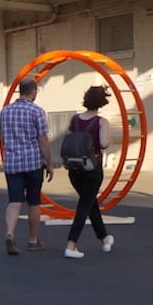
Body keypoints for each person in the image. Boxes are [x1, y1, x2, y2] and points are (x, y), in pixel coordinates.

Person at [0, 77, 53, 255]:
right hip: (32, 163)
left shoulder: (5, 112)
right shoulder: (36, 111)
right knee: (33, 202)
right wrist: (50, 163)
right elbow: (43, 140)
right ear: (34, 91)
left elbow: (2, 137)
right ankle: (33, 240)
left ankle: (9, 233)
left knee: (14, 200)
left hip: (12, 163)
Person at [62, 85, 115, 259]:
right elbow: (104, 143)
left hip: (74, 168)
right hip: (92, 168)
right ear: (102, 102)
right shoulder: (101, 122)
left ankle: (105, 239)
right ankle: (71, 245)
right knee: (85, 206)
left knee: (89, 203)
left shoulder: (75, 119)